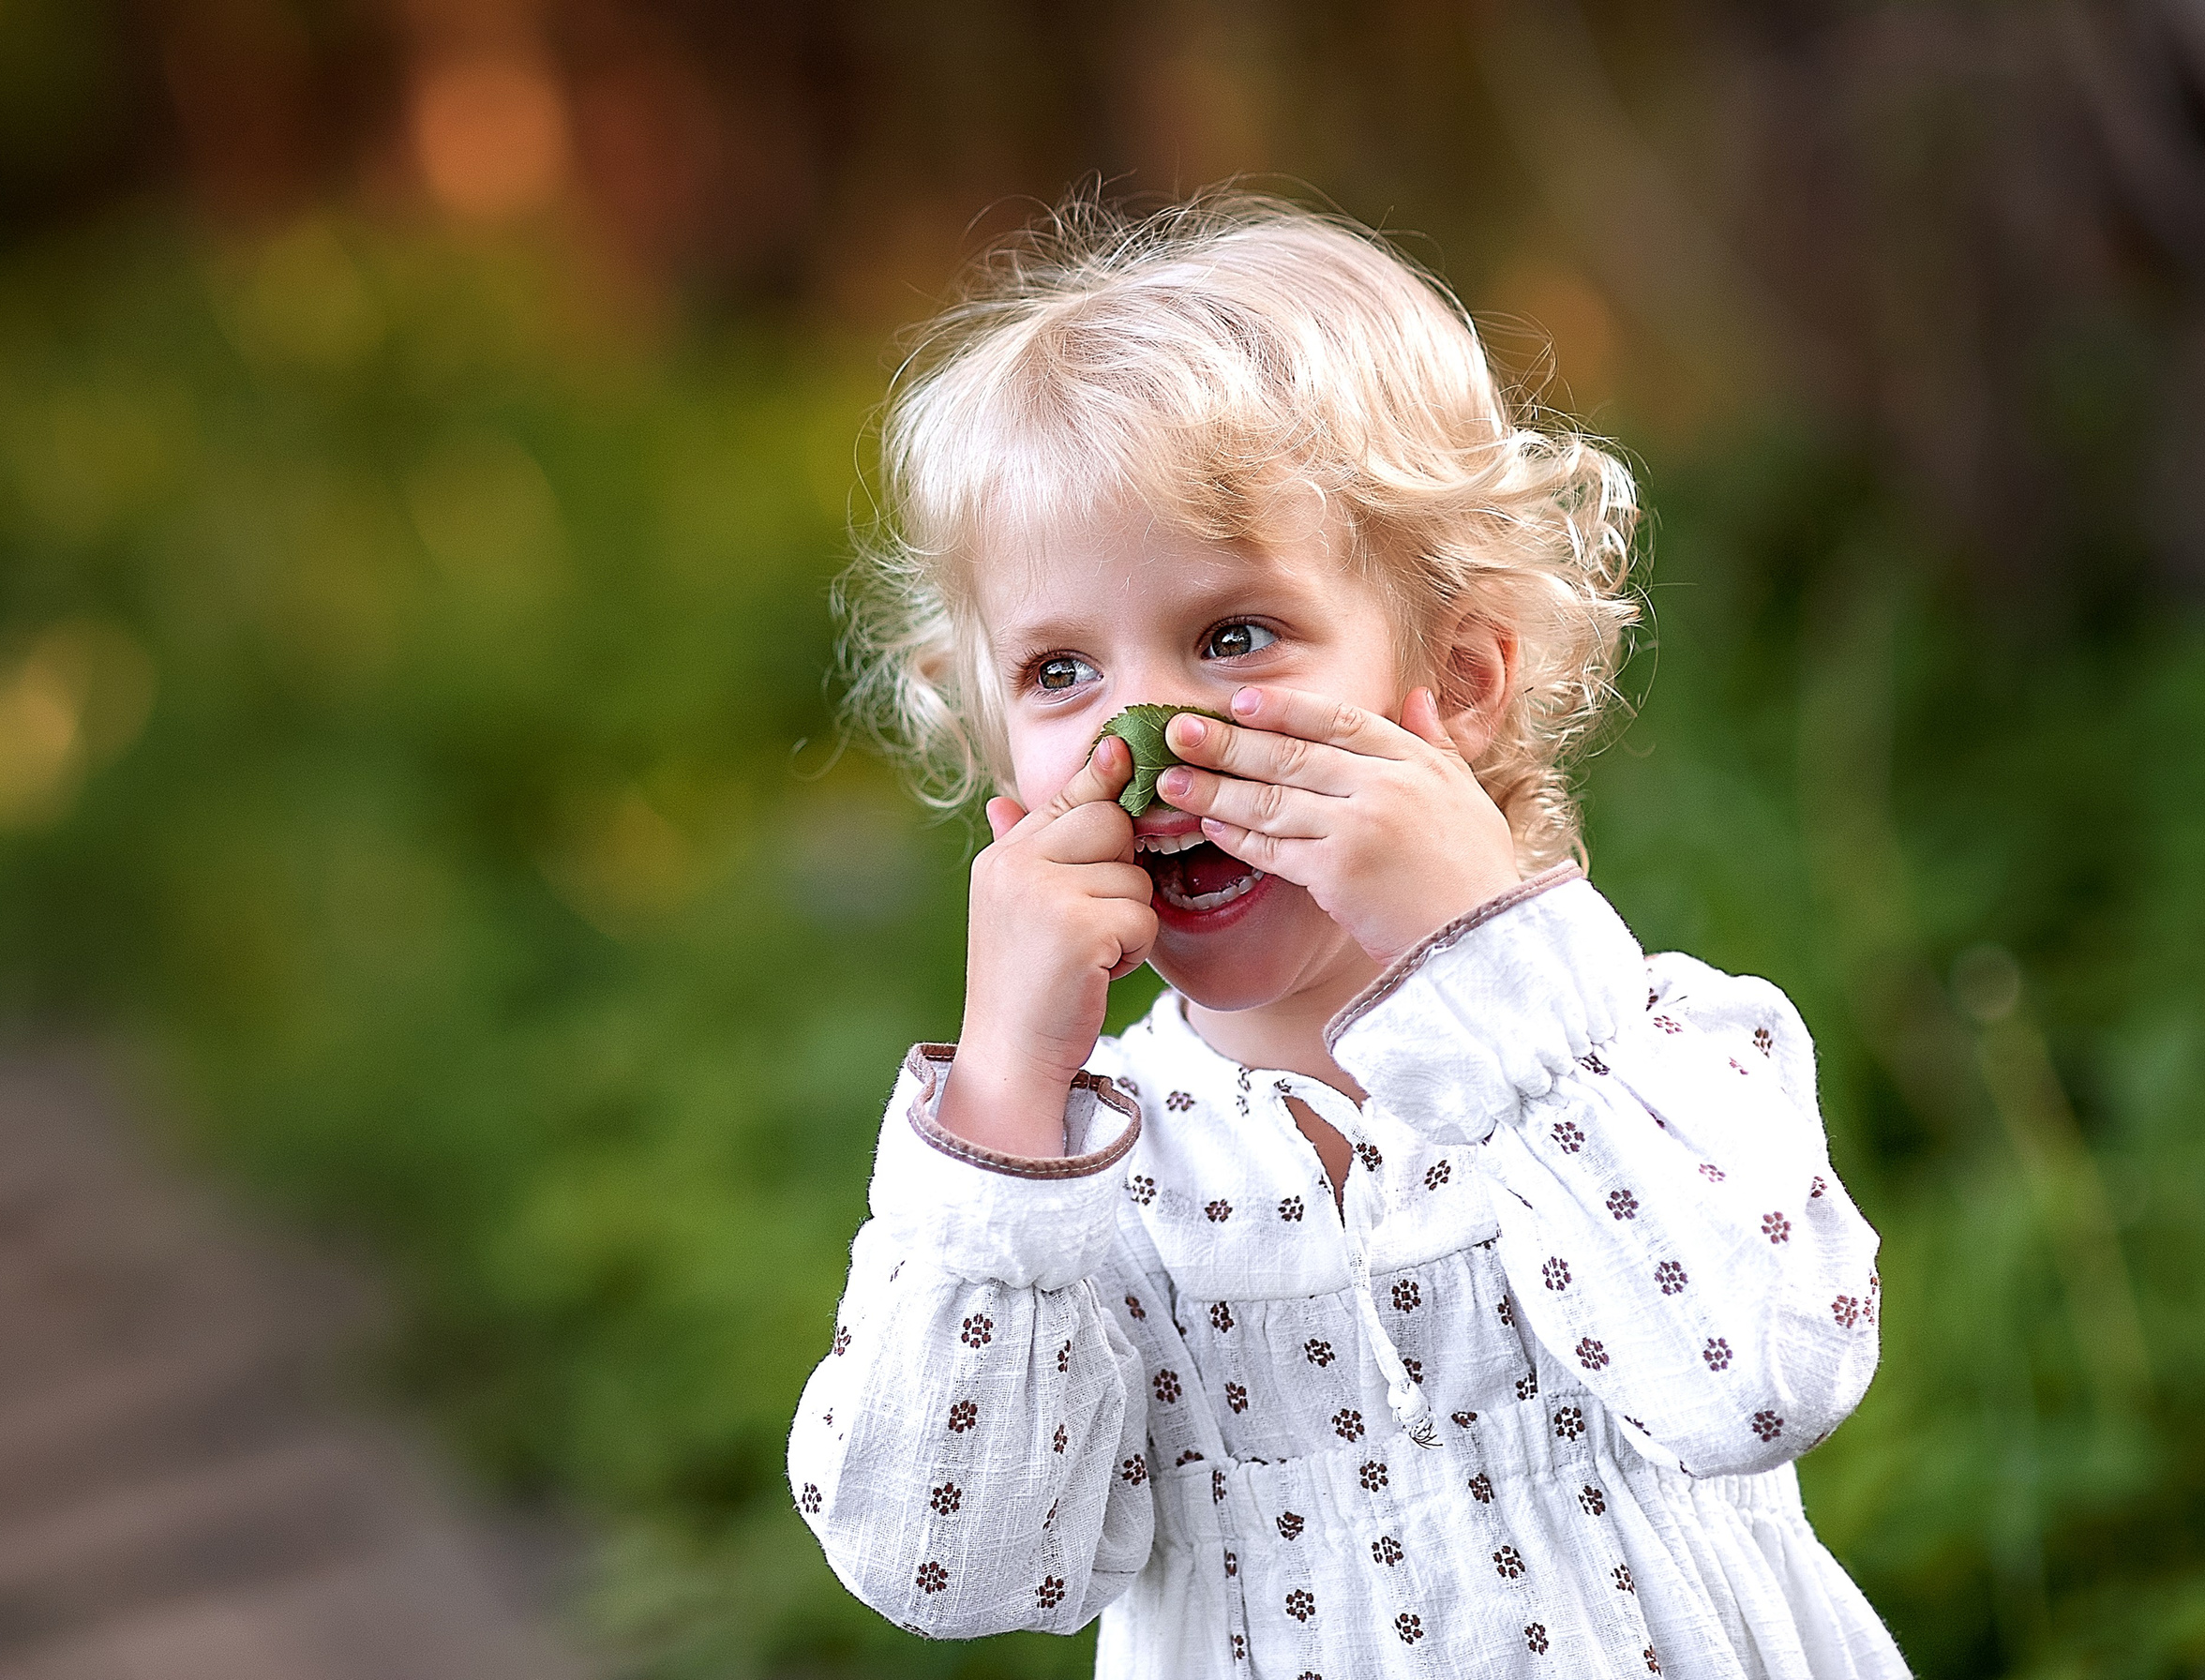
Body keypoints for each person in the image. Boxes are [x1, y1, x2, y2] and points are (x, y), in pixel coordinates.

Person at [790, 191, 1906, 1678]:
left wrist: (1486, 955)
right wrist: (1005, 1092)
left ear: (1460, 676)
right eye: (1061, 669)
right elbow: (951, 1566)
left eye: (1234, 633)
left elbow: (1762, 1383)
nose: (1152, 730)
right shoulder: (1077, 1187)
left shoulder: (1632, 1055)